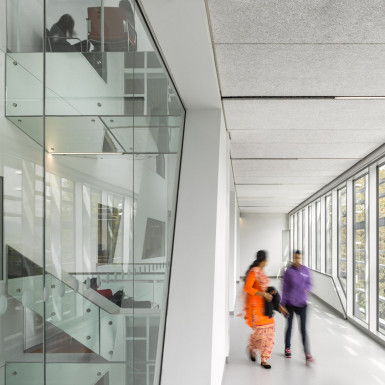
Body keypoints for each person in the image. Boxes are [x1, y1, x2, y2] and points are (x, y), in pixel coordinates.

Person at [244, 250, 287, 369]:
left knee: (269, 332)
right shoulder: (254, 272)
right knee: (260, 334)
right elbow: (248, 288)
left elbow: (262, 287)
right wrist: (263, 294)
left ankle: (264, 359)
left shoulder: (261, 271)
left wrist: (269, 291)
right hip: (256, 309)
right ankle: (252, 348)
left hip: (265, 308)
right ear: (264, 260)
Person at [281, 250, 314, 364]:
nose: (297, 260)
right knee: (289, 327)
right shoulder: (288, 272)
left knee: (303, 329)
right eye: (295, 258)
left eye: (299, 258)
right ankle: (287, 348)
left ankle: (307, 353)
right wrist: (282, 304)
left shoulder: (305, 270)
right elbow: (284, 289)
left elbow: (309, 282)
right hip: (290, 304)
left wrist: (307, 289)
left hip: (302, 304)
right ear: (293, 258)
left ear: (301, 259)